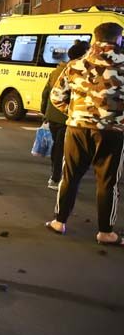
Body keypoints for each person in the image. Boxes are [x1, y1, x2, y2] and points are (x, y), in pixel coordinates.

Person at [47, 23, 124, 246]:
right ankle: (105, 232)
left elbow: (57, 96)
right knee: (107, 182)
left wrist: (74, 113)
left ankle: (59, 221)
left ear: (94, 38)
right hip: (112, 132)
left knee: (70, 176)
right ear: (118, 39)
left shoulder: (75, 64)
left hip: (77, 128)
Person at [40, 41, 90, 190]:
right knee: (62, 150)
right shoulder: (77, 72)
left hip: (53, 116)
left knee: (57, 148)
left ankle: (55, 176)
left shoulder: (57, 71)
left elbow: (46, 94)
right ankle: (56, 179)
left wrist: (45, 112)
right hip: (65, 117)